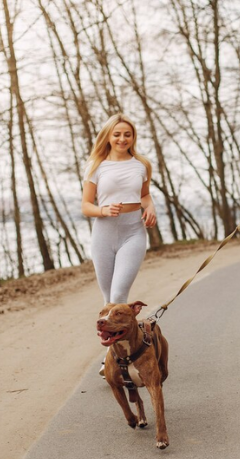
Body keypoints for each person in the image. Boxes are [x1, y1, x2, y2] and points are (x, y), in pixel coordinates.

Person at [82, 114, 157, 376]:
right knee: (108, 301)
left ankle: (111, 360)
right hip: (103, 234)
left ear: (133, 137)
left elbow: (145, 195)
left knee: (118, 297)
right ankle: (115, 355)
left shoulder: (142, 165)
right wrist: (102, 210)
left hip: (132, 232)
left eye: (127, 134)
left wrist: (151, 208)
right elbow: (86, 206)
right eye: (117, 134)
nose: (122, 139)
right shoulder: (96, 166)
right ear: (108, 137)